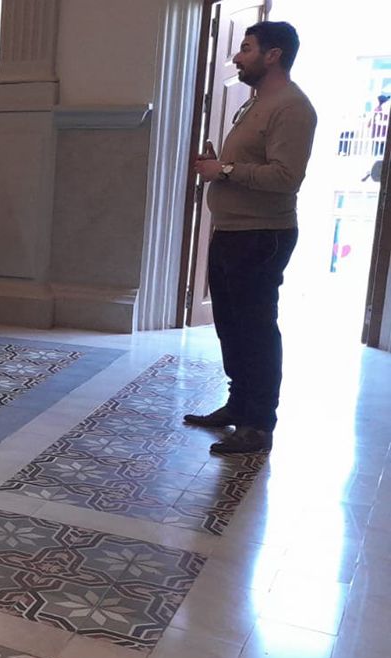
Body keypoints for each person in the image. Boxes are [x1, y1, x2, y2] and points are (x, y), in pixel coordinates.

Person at [184, 21, 317, 455]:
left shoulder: (292, 107)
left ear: (273, 55)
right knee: (231, 325)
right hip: (232, 231)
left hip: (262, 236)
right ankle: (239, 405)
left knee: (255, 330)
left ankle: (258, 425)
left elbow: (285, 177)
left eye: (246, 48)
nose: (237, 57)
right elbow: (250, 165)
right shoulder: (255, 102)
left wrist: (223, 170)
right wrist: (219, 165)